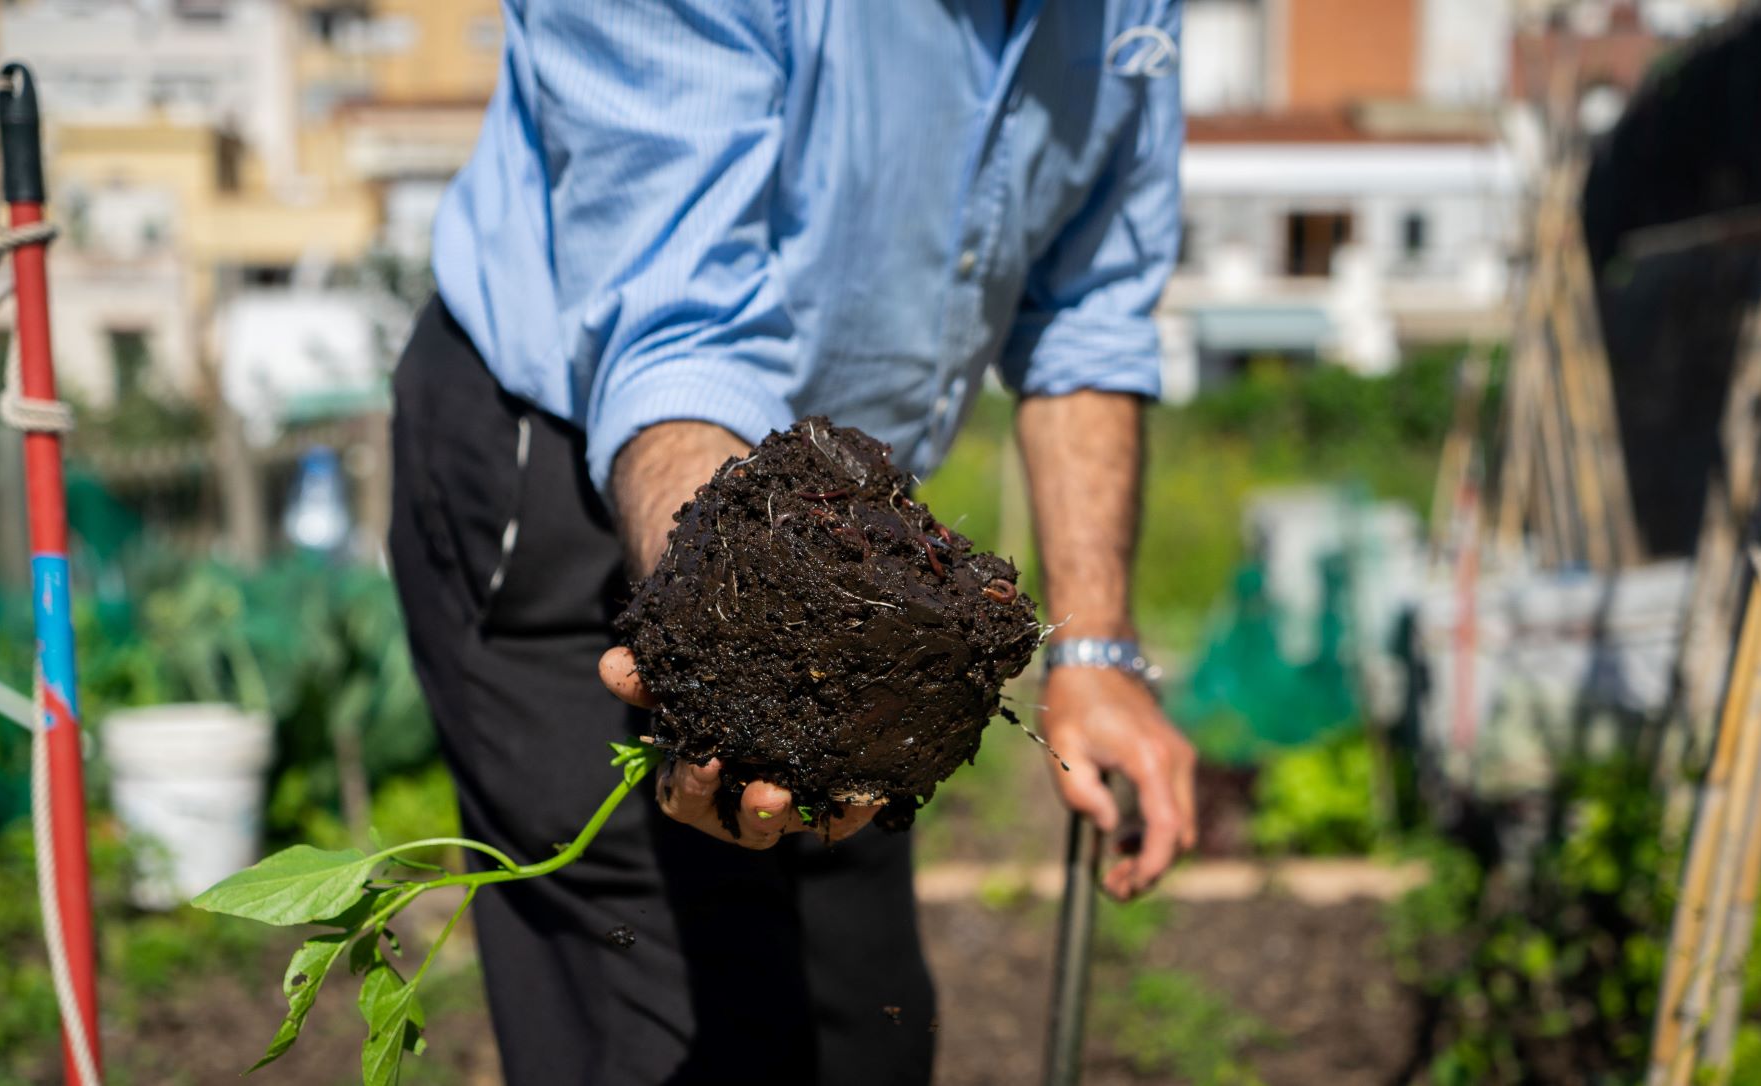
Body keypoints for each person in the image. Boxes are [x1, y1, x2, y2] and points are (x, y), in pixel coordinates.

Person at [387, 2, 1197, 1083]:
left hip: (842, 544)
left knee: (868, 1029)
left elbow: (1090, 301)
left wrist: (1093, 649)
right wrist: (729, 641)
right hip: (578, 455)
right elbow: (673, 327)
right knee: (667, 1034)